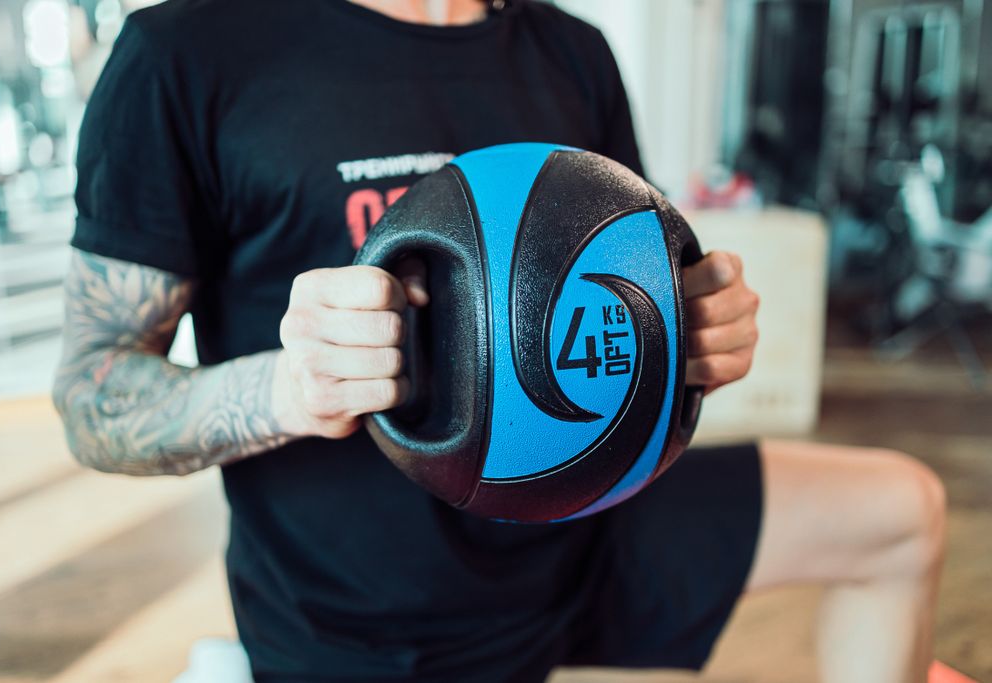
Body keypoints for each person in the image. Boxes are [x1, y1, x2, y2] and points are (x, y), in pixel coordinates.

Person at [52, 1, 946, 681]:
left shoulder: (572, 52)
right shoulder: (187, 53)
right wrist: (291, 389)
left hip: (587, 525)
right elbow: (95, 398)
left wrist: (694, 336)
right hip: (365, 629)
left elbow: (628, 296)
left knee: (900, 514)